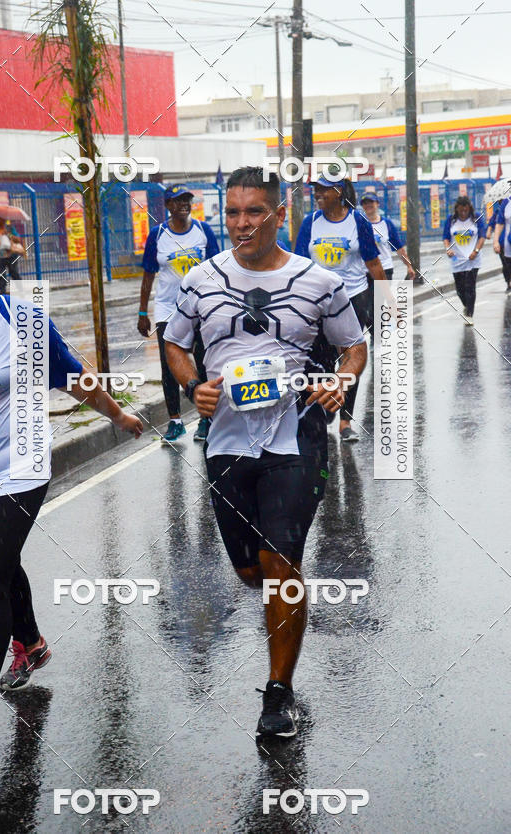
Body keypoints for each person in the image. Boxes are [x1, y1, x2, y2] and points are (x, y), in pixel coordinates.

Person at [0, 219, 142, 755]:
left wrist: (117, 414)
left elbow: (72, 376)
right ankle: (31, 642)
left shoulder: (22, 322)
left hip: (16, 469)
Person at [164, 167, 367, 738]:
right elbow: (176, 342)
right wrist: (192, 387)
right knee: (251, 570)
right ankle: (277, 611)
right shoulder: (201, 280)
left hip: (295, 434)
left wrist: (341, 383)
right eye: (232, 212)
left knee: (282, 564)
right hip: (226, 440)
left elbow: (353, 344)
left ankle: (278, 694)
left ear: (280, 214)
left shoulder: (319, 281)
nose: (242, 223)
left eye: (255, 211)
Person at [295, 176, 386, 443]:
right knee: (321, 358)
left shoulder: (357, 221)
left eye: (323, 189)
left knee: (350, 360)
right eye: (316, 189)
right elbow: (299, 264)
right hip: (318, 302)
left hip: (353, 298)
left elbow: (374, 264)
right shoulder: (310, 223)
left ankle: (345, 420)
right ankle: (328, 403)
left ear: (338, 192)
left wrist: (387, 301)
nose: (317, 193)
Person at [138, 184, 219, 443]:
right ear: (168, 206)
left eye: (187, 200)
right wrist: (142, 312)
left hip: (201, 307)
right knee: (168, 365)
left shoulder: (203, 231)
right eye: (178, 200)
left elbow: (218, 269)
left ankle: (206, 419)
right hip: (167, 309)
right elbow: (148, 274)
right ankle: (175, 421)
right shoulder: (157, 234)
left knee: (203, 361)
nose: (185, 204)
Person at [442, 196, 486, 325]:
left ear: (469, 209)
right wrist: (448, 249)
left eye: (465, 211)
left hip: (473, 259)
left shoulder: (476, 218)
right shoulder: (451, 220)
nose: (463, 213)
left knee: (470, 287)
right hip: (457, 259)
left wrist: (476, 251)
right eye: (461, 211)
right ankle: (467, 306)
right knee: (460, 290)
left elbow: (482, 237)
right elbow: (445, 237)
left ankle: (469, 314)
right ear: (457, 209)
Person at [359, 192, 416, 281]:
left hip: (384, 269)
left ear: (377, 204)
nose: (368, 205)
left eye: (371, 202)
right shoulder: (359, 224)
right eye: (365, 203)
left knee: (382, 295)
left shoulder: (387, 224)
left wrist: (409, 266)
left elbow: (399, 248)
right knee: (368, 295)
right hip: (364, 271)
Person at [0, 216, 25, 295]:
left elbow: (18, 239)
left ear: (3, 220)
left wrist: (8, 234)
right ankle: (2, 293)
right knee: (0, 274)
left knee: (14, 272)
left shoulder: (10, 228)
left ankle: (20, 290)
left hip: (11, 255)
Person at [493, 196, 511, 294]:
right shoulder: (506, 203)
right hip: (507, 245)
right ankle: (508, 282)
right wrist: (495, 241)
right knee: (506, 265)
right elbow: (498, 223)